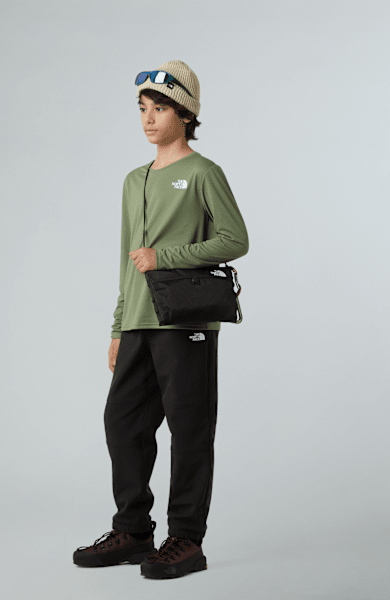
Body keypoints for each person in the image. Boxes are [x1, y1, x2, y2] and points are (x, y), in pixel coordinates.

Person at [73, 60, 249, 579]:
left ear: (186, 115)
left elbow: (235, 240)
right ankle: (133, 531)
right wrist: (117, 326)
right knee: (122, 421)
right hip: (138, 322)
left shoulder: (204, 173)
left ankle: (186, 540)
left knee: (189, 429)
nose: (149, 119)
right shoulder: (134, 181)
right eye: (143, 109)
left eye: (160, 109)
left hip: (185, 321)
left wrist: (165, 257)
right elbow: (126, 259)